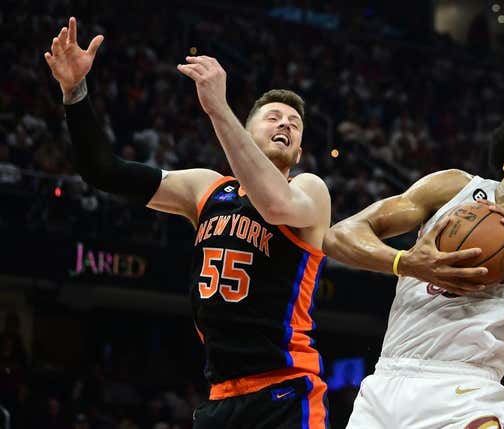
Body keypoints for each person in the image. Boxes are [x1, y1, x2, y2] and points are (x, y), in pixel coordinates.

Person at [44, 17, 331, 428]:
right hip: (219, 395)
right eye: (273, 117)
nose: (285, 123)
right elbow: (103, 171)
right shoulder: (206, 188)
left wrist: (218, 108)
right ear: (248, 132)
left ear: (300, 151)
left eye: (294, 123)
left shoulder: (311, 191)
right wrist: (75, 92)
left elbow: (274, 204)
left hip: (284, 389)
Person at [323, 104, 504, 428]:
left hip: (465, 392)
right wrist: (407, 263)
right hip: (385, 379)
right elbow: (338, 236)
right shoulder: (453, 188)